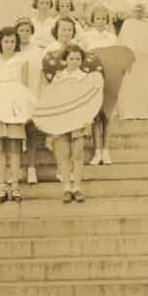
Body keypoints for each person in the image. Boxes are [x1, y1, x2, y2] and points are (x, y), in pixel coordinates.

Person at [0, 27, 30, 204]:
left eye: (12, 41)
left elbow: (23, 87)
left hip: (15, 108)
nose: (9, 45)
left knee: (15, 147)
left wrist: (21, 109)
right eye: (6, 41)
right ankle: (2, 187)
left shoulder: (21, 60)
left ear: (16, 43)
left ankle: (15, 187)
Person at [49, 44, 93, 202]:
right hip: (63, 119)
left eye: (78, 58)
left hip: (79, 119)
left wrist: (88, 120)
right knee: (65, 155)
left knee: (78, 154)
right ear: (65, 60)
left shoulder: (86, 77)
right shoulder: (59, 77)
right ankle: (67, 187)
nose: (74, 61)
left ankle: (77, 187)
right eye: (71, 58)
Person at [80, 5, 119, 165]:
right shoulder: (86, 37)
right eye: (97, 19)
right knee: (96, 116)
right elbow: (82, 59)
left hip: (110, 78)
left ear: (107, 21)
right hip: (93, 78)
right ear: (92, 20)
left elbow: (118, 58)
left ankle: (106, 151)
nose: (101, 22)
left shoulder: (112, 38)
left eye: (104, 19)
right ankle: (97, 152)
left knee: (107, 116)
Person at [15, 17, 44, 184]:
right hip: (16, 97)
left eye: (27, 30)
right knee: (16, 134)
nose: (24, 34)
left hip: (33, 94)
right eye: (21, 30)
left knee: (32, 133)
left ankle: (32, 168)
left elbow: (41, 75)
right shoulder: (12, 49)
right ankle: (17, 169)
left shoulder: (37, 51)